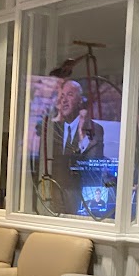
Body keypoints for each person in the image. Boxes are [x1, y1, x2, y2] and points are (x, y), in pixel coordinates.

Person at [50, 79, 105, 214]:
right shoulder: (53, 129)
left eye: (69, 95)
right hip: (55, 197)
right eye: (62, 96)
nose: (64, 100)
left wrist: (81, 138)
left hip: (80, 198)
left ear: (80, 100)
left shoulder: (93, 129)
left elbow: (92, 166)